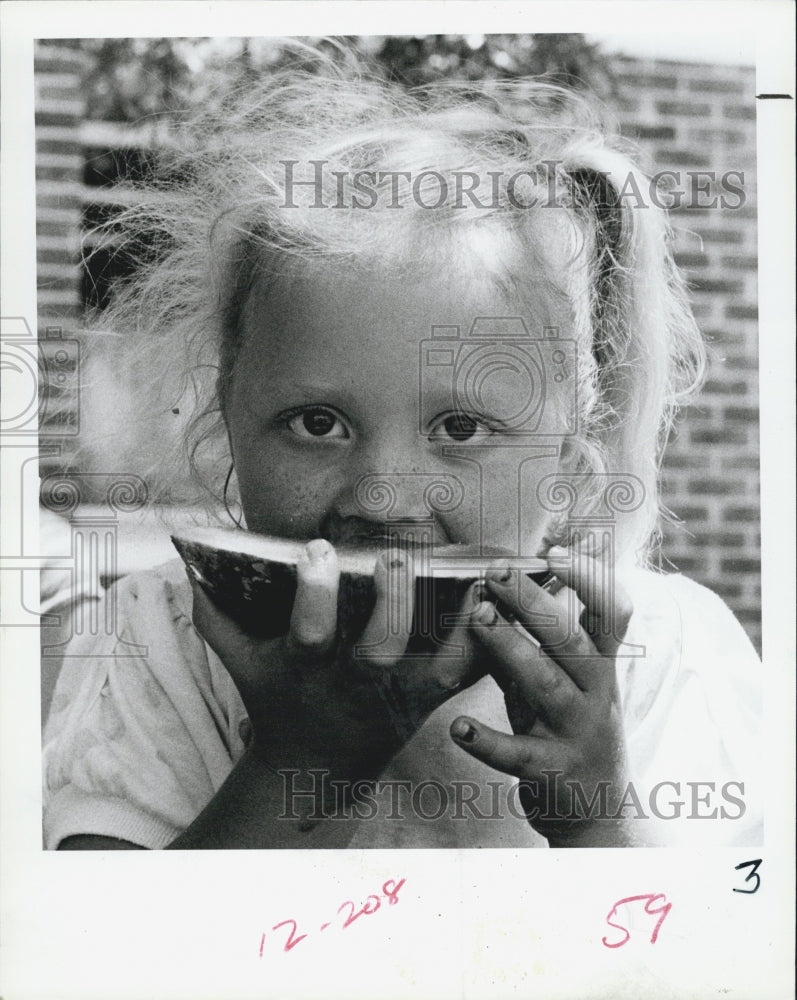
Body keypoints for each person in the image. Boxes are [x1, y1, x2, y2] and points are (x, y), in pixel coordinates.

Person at [42, 59, 761, 850]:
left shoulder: (666, 656)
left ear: (566, 466)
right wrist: (297, 763)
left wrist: (597, 817)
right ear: (226, 424)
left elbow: (708, 964)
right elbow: (99, 958)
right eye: (317, 423)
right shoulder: (162, 634)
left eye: (459, 429)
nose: (381, 499)